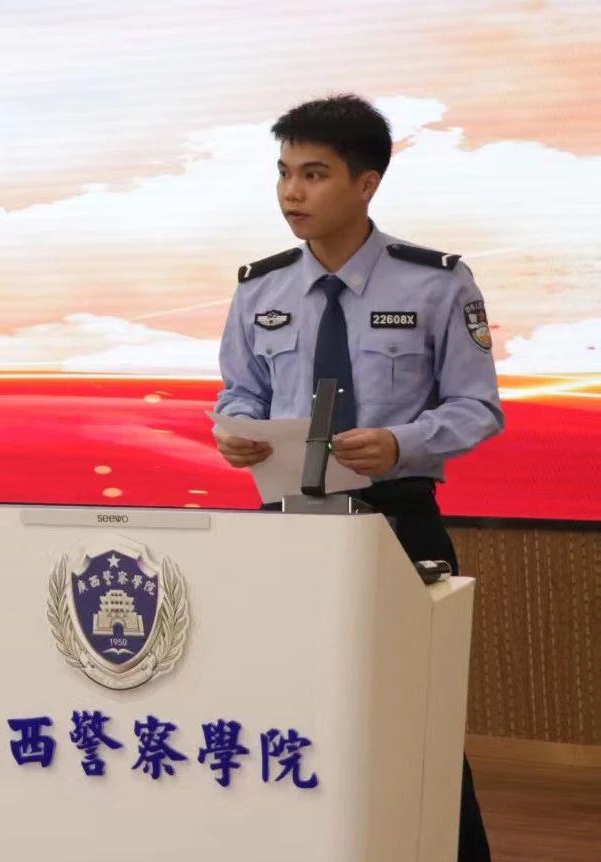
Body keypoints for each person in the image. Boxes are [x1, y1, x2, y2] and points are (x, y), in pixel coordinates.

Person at [213, 94, 502, 861]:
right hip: (289, 529)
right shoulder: (261, 288)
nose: (292, 193)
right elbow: (238, 394)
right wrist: (234, 431)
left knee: (416, 716)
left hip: (397, 524)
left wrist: (403, 443)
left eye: (314, 174)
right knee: (287, 711)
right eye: (283, 174)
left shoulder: (436, 283)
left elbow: (478, 408)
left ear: (366, 183)